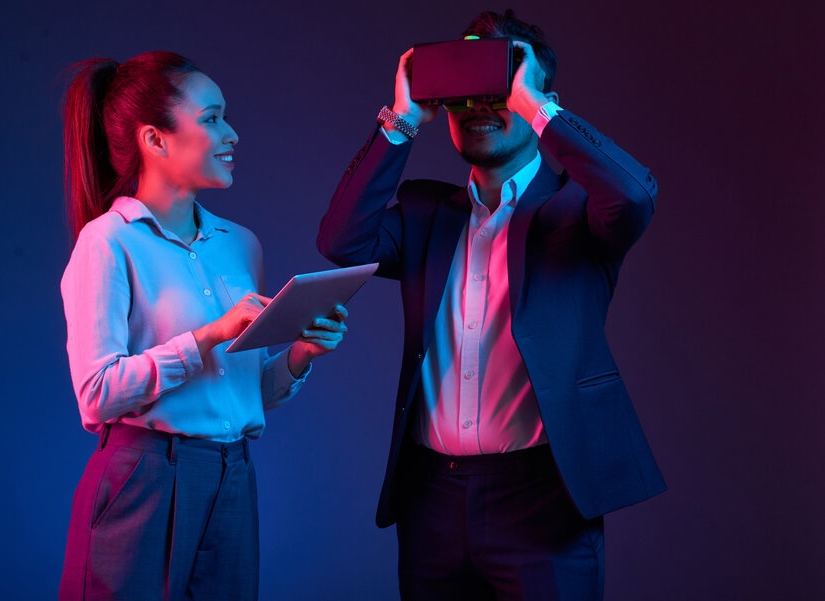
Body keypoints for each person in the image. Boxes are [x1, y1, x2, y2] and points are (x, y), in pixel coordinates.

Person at [317, 9, 665, 601]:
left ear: (534, 97)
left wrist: (534, 105)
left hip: (544, 499)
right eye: (465, 92)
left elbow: (633, 196)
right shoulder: (429, 216)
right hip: (431, 497)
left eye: (498, 88)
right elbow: (341, 241)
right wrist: (401, 120)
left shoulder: (581, 211)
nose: (480, 106)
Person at [58, 51, 348, 601]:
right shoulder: (107, 242)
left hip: (234, 477)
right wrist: (207, 335)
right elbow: (96, 397)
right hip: (143, 480)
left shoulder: (241, 245)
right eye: (212, 117)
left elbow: (236, 392)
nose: (232, 133)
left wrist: (300, 354)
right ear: (156, 139)